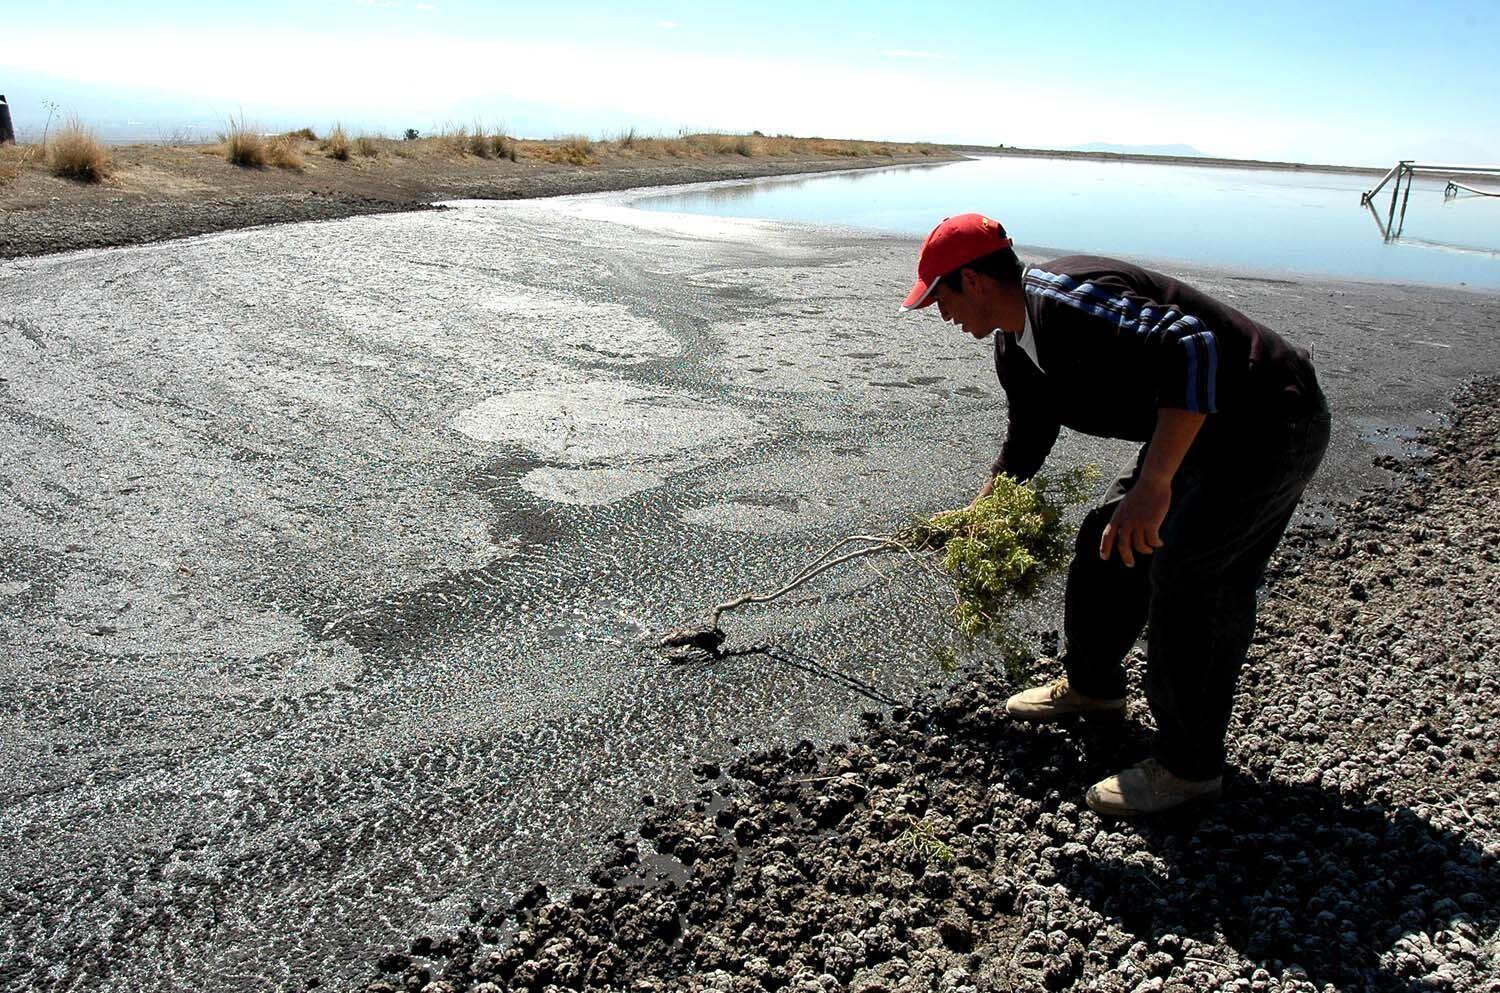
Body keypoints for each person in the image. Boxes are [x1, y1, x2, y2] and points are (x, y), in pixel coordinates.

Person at [902, 214, 1330, 816]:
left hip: (1268, 420)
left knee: (1192, 577)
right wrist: (984, 511)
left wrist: (1154, 483)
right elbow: (1028, 435)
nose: (939, 314)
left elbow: (1193, 345)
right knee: (1107, 541)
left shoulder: (1068, 302)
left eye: (939, 296)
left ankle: (1189, 769)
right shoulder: (1013, 345)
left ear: (971, 280)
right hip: (1197, 433)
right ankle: (1094, 690)